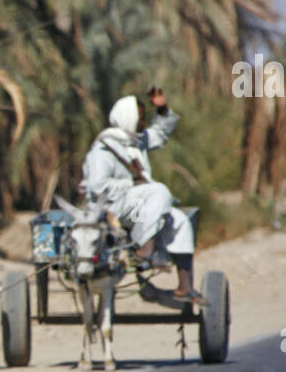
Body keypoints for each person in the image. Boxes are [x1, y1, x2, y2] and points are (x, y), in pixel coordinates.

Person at [82, 86, 201, 303]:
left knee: (181, 221)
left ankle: (185, 287)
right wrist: (131, 183)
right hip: (111, 209)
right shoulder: (102, 149)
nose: (144, 124)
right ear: (128, 119)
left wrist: (163, 109)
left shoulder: (136, 141)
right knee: (159, 191)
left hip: (137, 206)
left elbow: (161, 133)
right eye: (140, 118)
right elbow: (97, 188)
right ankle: (142, 249)